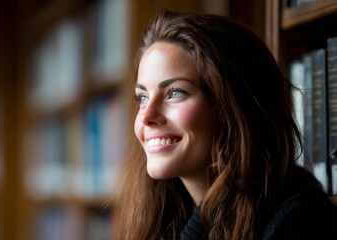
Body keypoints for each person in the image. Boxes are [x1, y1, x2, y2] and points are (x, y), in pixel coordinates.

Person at [112, 9, 337, 240]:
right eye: (142, 97)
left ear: (232, 107)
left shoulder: (300, 223)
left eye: (175, 93)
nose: (146, 116)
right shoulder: (161, 218)